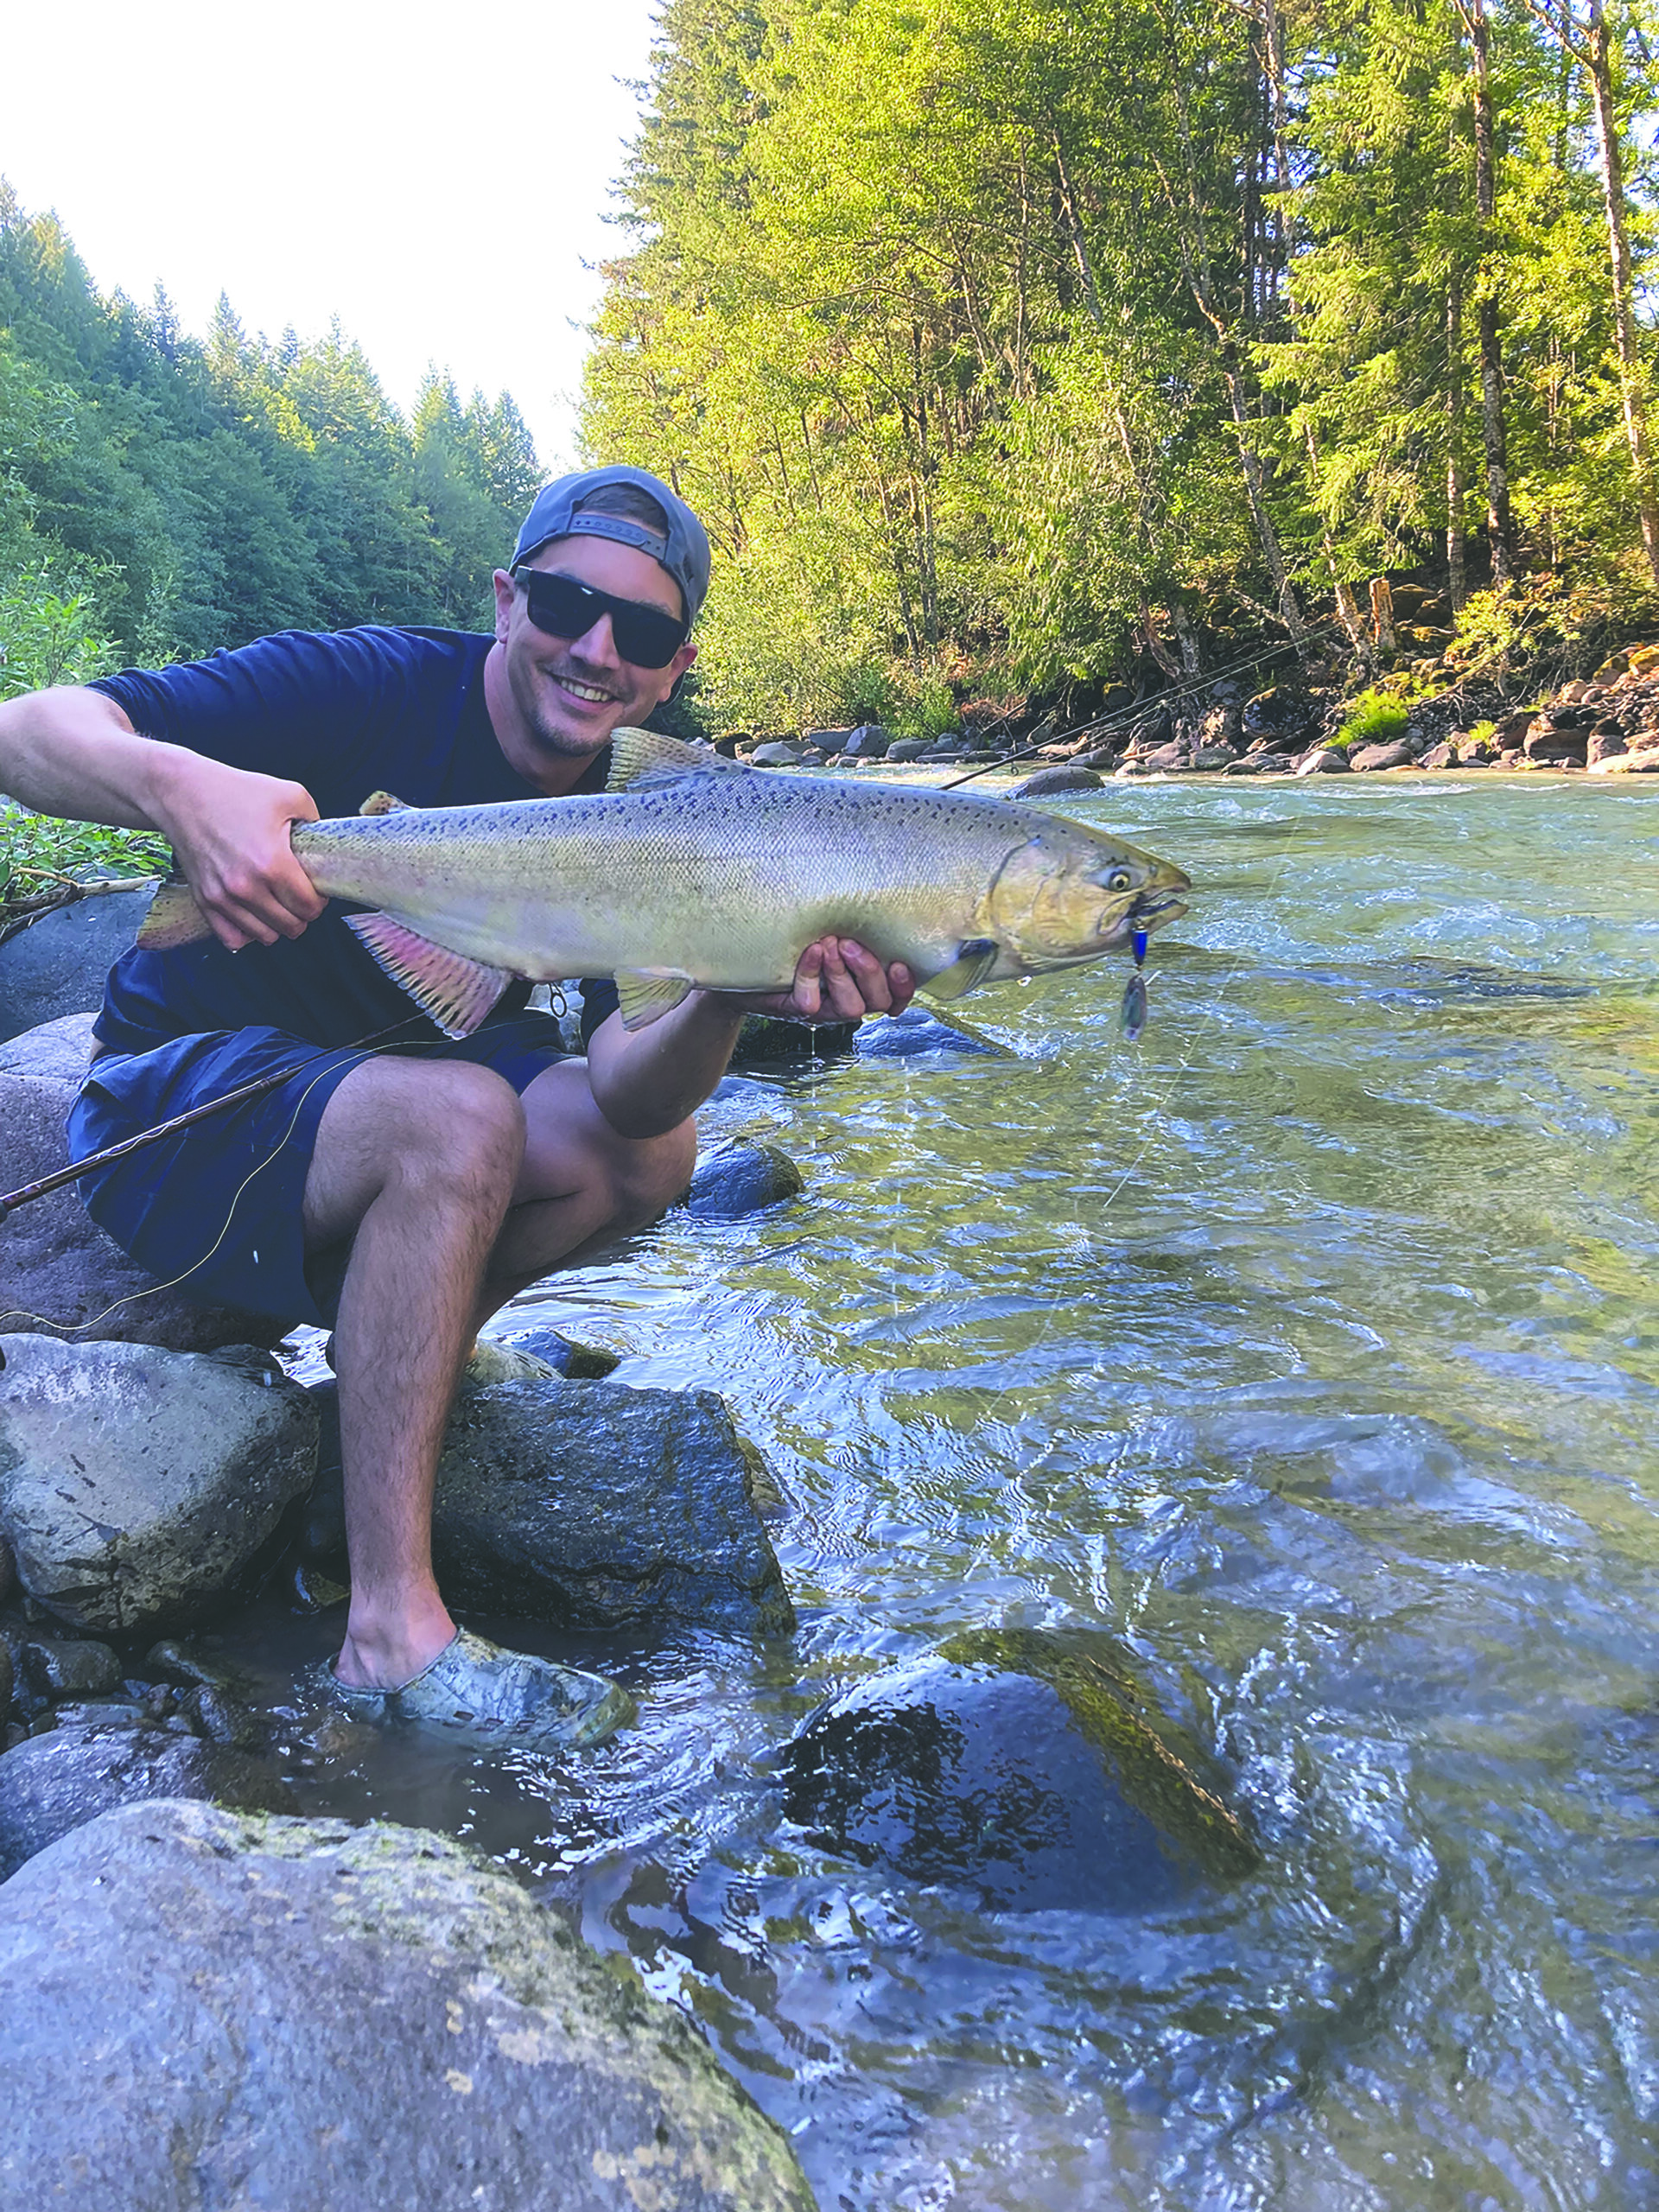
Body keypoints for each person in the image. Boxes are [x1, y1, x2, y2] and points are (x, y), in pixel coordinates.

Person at [0, 464, 914, 1746]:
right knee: (459, 1117)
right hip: (176, 1112)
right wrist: (178, 791)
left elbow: (626, 1095)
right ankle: (390, 1632)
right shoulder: (366, 683)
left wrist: (727, 994)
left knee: (650, 1157)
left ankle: (374, 1410)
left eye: (641, 635)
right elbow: (26, 730)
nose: (596, 650)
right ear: (505, 597)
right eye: (565, 603)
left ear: (673, 669)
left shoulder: (652, 812)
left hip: (372, 1142)